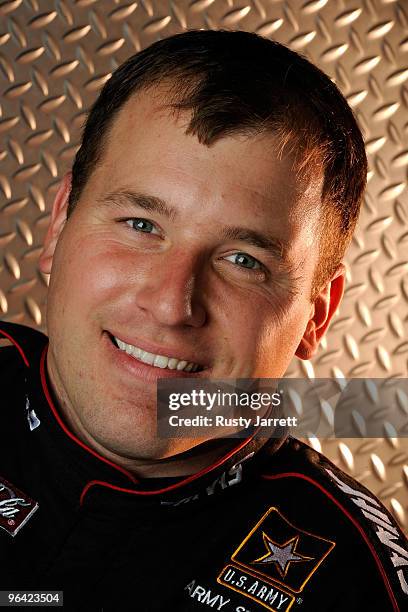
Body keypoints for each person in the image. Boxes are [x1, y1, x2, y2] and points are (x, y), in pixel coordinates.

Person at [1, 29, 407, 611]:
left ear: (318, 313)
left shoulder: (356, 579)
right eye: (141, 224)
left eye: (243, 261)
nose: (172, 305)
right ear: (59, 222)